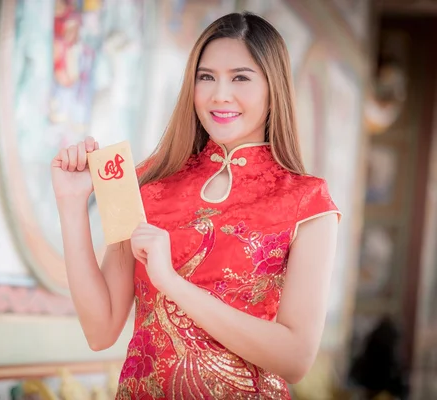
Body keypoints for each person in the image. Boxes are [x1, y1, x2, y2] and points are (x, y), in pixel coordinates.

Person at [51, 12, 341, 400]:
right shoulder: (145, 181)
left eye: (240, 77)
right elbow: (100, 331)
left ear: (274, 88)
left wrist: (171, 283)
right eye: (206, 77)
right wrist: (71, 207)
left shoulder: (307, 200)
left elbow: (296, 358)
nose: (220, 94)